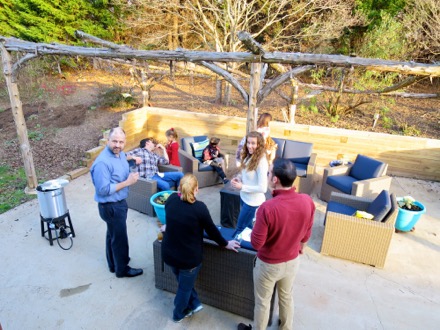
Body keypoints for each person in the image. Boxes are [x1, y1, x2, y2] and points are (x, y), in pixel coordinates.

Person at [238, 158, 315, 330]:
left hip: (269, 265)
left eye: (269, 172)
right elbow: (308, 230)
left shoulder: (267, 208)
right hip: (293, 261)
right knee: (286, 297)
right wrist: (301, 246)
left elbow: (257, 244)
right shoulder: (307, 200)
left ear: (275, 180)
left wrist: (257, 221)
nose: (267, 174)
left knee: (263, 303)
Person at [161, 174, 240, 323]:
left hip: (169, 253)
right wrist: (226, 244)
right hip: (188, 259)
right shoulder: (199, 208)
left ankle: (195, 303)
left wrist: (168, 226)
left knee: (183, 282)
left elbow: (173, 218)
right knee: (184, 288)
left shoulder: (171, 200)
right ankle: (178, 314)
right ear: (197, 189)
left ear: (179, 188)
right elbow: (212, 231)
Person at [90, 127, 143, 278]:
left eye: (121, 142)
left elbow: (122, 156)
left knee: (112, 234)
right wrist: (128, 182)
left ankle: (113, 264)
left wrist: (132, 157)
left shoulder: (119, 154)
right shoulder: (102, 163)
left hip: (117, 204)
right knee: (119, 238)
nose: (118, 145)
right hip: (111, 206)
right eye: (114, 141)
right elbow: (103, 190)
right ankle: (122, 269)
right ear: (108, 141)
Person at [231, 131, 268, 237]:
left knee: (239, 229)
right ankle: (249, 250)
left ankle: (232, 251)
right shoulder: (248, 156)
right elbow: (244, 172)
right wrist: (238, 178)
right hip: (244, 198)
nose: (250, 146)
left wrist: (242, 186)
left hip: (253, 203)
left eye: (253, 143)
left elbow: (263, 188)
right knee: (249, 227)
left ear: (259, 145)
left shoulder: (261, 161)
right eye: (248, 143)